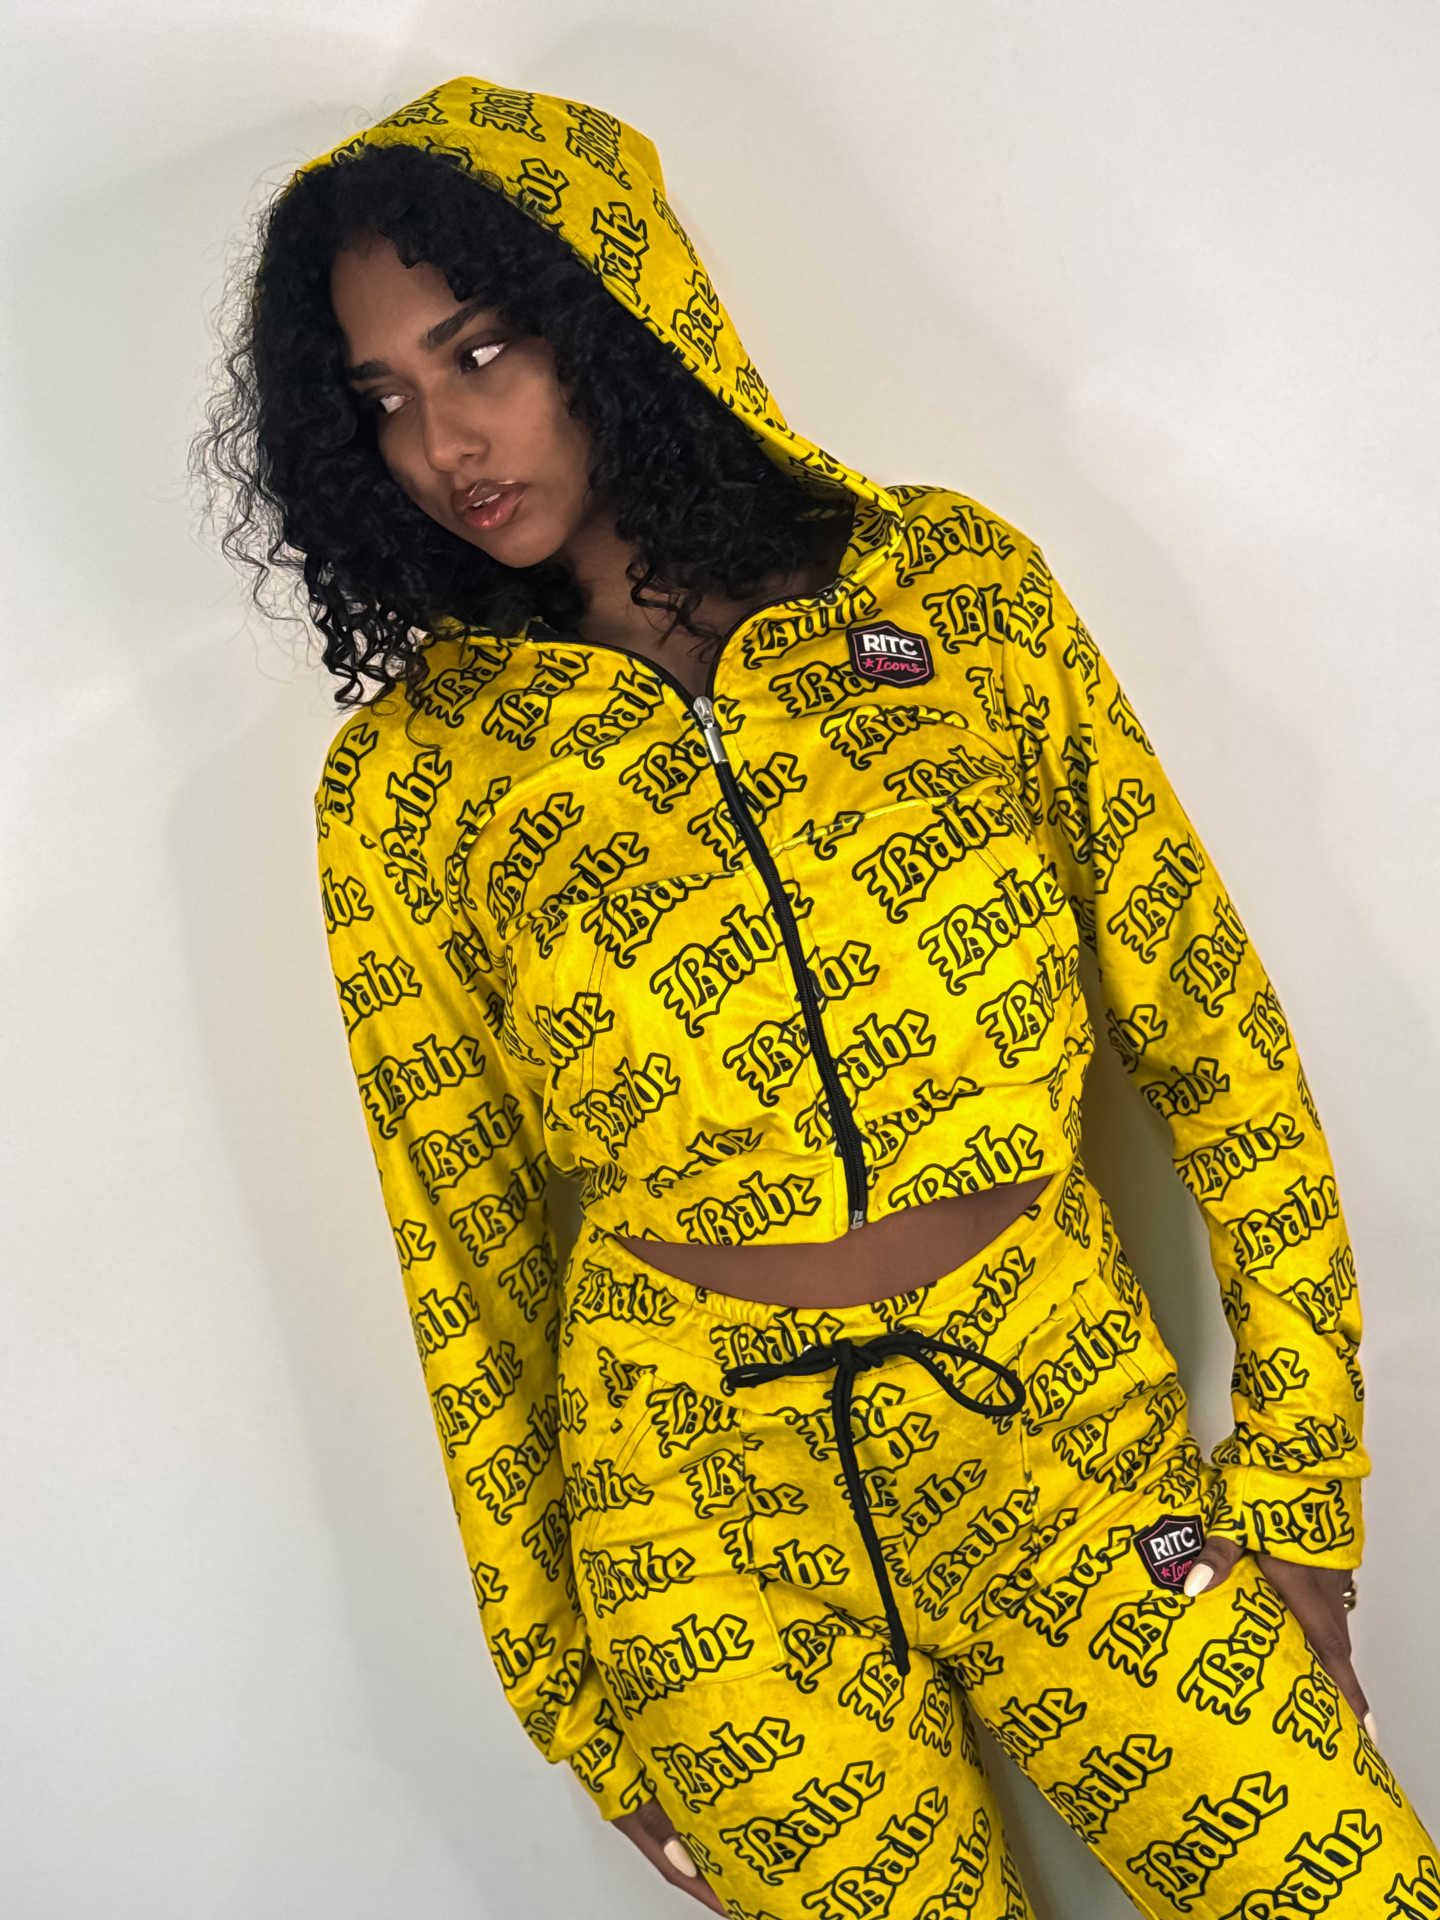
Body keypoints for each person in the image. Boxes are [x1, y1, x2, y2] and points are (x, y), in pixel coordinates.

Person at [200, 74, 1436, 1918]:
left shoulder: (955, 595)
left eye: (481, 353)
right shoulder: (413, 782)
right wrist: (573, 1702)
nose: (445, 440)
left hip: (1057, 1420)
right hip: (697, 1526)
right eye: (380, 399)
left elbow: (1216, 1040)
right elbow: (460, 1257)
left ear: (612, 321)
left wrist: (1303, 1492)